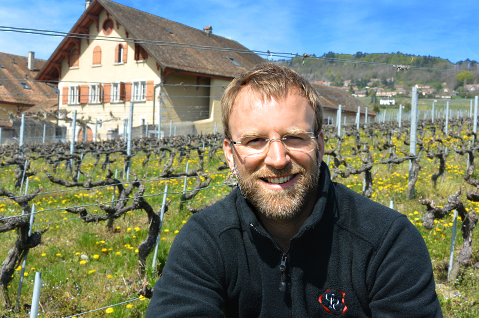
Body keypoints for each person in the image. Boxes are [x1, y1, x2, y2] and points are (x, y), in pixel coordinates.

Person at [146, 63, 442, 317]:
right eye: (254, 141)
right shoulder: (203, 242)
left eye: (294, 137)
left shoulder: (388, 242)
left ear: (320, 145)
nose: (277, 159)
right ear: (229, 153)